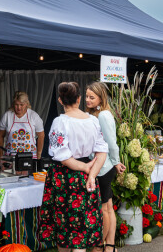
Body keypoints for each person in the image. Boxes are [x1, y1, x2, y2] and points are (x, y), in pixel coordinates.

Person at [39, 82, 108, 251]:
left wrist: (87, 170)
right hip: (84, 175)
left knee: (63, 227)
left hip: (63, 177)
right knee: (81, 228)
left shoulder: (60, 122)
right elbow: (102, 151)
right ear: (79, 99)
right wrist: (90, 173)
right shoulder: (92, 120)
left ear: (60, 101)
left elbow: (63, 157)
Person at [85, 82, 126, 252]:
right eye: (86, 96)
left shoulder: (102, 115)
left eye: (91, 97)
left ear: (101, 98)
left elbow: (111, 142)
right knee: (108, 207)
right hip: (103, 166)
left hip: (103, 167)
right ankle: (109, 246)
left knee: (104, 209)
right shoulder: (98, 113)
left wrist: (116, 161)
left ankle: (100, 246)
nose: (87, 100)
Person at [0, 91, 45, 168]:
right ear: (13, 104)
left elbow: (41, 136)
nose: (19, 107)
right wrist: (1, 156)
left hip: (30, 157)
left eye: (21, 105)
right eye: (16, 105)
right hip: (11, 158)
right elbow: (0, 136)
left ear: (26, 104)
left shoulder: (34, 116)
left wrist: (38, 155)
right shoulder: (7, 116)